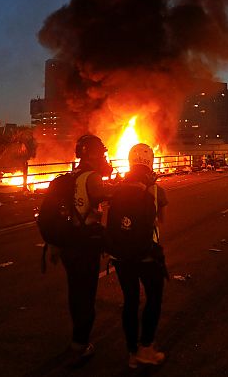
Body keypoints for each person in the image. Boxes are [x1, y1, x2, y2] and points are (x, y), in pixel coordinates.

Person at [52, 134, 112, 359]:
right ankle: (80, 344)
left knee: (76, 293)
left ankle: (77, 338)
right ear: (94, 153)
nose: (104, 157)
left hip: (69, 242)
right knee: (86, 295)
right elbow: (105, 194)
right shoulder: (92, 177)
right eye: (102, 153)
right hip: (85, 244)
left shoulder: (72, 176)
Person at [111, 143, 169, 369]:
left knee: (130, 301)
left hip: (122, 257)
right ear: (150, 162)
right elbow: (161, 221)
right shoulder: (156, 190)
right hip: (147, 256)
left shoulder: (117, 188)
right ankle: (146, 348)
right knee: (153, 299)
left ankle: (132, 352)